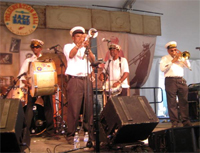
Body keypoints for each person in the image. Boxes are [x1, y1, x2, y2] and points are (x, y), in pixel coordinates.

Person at [63, 26, 95, 145]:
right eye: (78, 36)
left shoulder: (85, 49)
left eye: (82, 36)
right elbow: (71, 55)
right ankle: (70, 134)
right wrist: (79, 45)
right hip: (74, 80)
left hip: (86, 79)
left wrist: (88, 48)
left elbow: (93, 60)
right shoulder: (68, 46)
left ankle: (90, 133)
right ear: (73, 37)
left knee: (88, 108)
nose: (81, 38)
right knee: (74, 109)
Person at [18, 39, 55, 137]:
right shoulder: (29, 61)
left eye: (37, 47)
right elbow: (21, 75)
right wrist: (27, 83)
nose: (35, 49)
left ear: (41, 48)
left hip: (45, 85)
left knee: (48, 107)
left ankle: (50, 131)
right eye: (33, 47)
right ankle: (26, 131)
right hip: (33, 87)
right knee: (29, 107)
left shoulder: (46, 59)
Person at [160, 41, 192, 128]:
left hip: (180, 80)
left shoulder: (181, 57)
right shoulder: (165, 58)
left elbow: (189, 67)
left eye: (175, 50)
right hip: (170, 80)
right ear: (168, 51)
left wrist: (184, 58)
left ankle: (185, 120)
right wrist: (172, 61)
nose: (174, 52)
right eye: (172, 50)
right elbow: (162, 69)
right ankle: (174, 121)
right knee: (172, 102)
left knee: (184, 101)